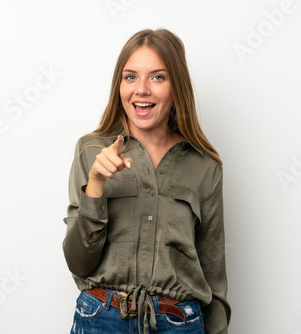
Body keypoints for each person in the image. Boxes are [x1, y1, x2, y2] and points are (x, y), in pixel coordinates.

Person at [63, 28, 231, 333]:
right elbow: (78, 263)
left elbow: (214, 272)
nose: (141, 89)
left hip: (178, 323)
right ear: (119, 86)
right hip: (101, 320)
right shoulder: (91, 151)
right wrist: (97, 183)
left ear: (176, 87)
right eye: (130, 77)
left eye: (157, 77)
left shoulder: (205, 165)